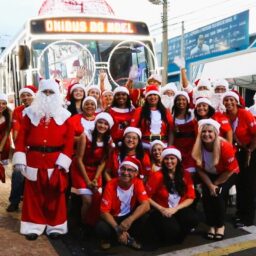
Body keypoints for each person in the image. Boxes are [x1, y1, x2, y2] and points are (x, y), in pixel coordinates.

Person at [12, 79, 74, 241]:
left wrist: (64, 161)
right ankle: (33, 225)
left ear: (56, 94)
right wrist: (19, 156)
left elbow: (69, 141)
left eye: (51, 92)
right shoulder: (30, 114)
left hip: (55, 160)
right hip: (34, 159)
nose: (47, 95)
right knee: (33, 194)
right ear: (39, 93)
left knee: (55, 194)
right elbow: (22, 137)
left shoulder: (65, 115)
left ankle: (56, 226)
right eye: (45, 92)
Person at [192, 119, 239, 240]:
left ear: (215, 133)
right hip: (209, 175)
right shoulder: (198, 147)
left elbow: (230, 170)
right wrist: (210, 185)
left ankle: (220, 225)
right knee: (207, 195)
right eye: (204, 132)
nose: (206, 134)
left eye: (210, 132)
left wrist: (216, 185)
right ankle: (210, 224)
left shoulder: (225, 146)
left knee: (218, 194)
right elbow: (199, 169)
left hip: (227, 174)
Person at [146, 147, 198, 245]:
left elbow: (191, 197)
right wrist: (161, 209)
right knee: (172, 231)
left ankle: (179, 231)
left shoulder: (185, 174)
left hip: (178, 208)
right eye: (166, 158)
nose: (169, 161)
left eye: (172, 158)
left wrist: (176, 209)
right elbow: (146, 197)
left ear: (178, 160)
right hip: (162, 210)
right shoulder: (157, 175)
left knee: (192, 219)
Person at [95, 156, 150, 250]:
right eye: (123, 169)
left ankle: (131, 237)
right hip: (113, 218)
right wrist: (118, 229)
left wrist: (130, 220)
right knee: (101, 228)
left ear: (136, 173)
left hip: (127, 216)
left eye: (130, 170)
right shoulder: (111, 184)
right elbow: (104, 212)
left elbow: (146, 205)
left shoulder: (138, 182)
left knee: (145, 217)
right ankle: (110, 239)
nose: (125, 173)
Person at [71, 112, 114, 225]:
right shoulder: (85, 136)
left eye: (106, 124)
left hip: (95, 171)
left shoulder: (109, 140)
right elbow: (79, 159)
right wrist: (87, 181)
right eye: (100, 122)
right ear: (96, 123)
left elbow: (103, 161)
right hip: (81, 169)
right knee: (88, 200)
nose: (102, 126)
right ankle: (83, 224)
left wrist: (95, 178)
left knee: (97, 198)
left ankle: (92, 224)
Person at [222, 91, 256, 227]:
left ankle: (247, 218)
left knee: (248, 185)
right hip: (235, 152)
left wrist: (251, 149)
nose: (229, 102)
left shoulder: (245, 114)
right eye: (226, 100)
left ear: (236, 101)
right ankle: (240, 213)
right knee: (239, 183)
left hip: (249, 152)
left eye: (231, 100)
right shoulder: (225, 116)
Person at [7, 85, 37, 212]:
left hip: (37, 148)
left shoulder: (39, 110)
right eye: (23, 95)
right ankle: (14, 201)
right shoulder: (17, 111)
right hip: (22, 148)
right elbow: (16, 131)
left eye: (28, 95)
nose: (25, 97)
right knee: (17, 174)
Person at [131, 84, 174, 149]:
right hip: (145, 146)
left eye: (155, 95)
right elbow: (133, 129)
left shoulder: (166, 111)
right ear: (146, 98)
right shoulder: (139, 111)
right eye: (150, 95)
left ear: (159, 97)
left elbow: (171, 130)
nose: (152, 97)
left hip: (163, 146)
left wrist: (169, 146)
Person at [172, 91, 197, 173]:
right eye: (178, 100)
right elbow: (171, 135)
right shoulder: (171, 117)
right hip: (178, 148)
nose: (181, 102)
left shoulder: (193, 115)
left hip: (192, 149)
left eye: (183, 99)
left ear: (187, 101)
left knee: (192, 172)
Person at [0, 93, 12, 181]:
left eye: (4, 103)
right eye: (0, 103)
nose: (1, 105)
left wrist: (0, 148)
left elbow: (7, 132)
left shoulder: (8, 114)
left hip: (4, 144)